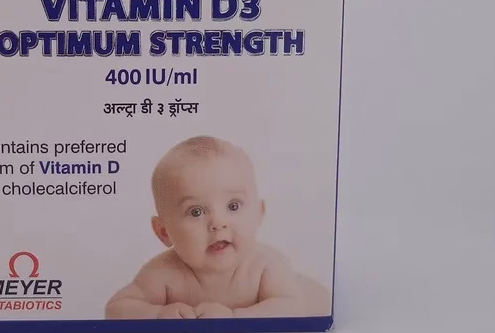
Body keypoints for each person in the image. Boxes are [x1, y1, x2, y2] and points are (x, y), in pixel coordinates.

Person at [105, 135, 330, 319]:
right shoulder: (164, 273)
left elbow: (294, 308)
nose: (218, 223)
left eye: (233, 206)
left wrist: (234, 317)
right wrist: (157, 315)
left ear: (258, 214)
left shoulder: (264, 266)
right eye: (196, 212)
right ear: (164, 232)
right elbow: (116, 309)